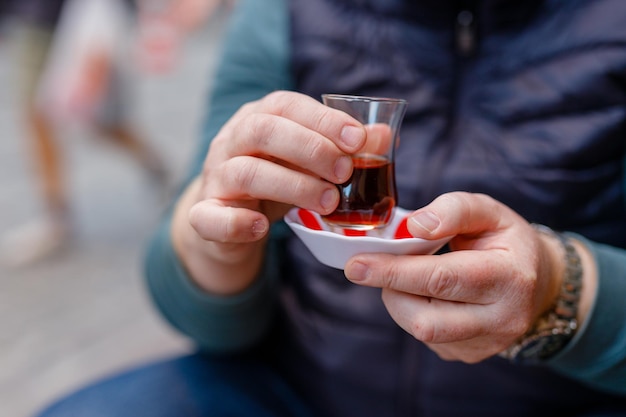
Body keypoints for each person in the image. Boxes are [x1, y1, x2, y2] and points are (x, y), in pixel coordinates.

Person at [36, 0, 626, 416]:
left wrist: (563, 289)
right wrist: (215, 238)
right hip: (292, 386)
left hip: (563, 398)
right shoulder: (286, 10)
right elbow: (195, 310)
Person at [0, 0, 167, 266]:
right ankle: (56, 215)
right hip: (37, 20)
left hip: (86, 19)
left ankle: (154, 165)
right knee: (37, 117)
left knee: (102, 120)